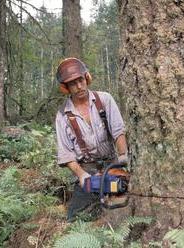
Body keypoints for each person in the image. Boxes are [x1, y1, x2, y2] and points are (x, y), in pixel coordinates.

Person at [55, 57, 128, 221]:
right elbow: (66, 154)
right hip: (88, 171)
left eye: (80, 80)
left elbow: (118, 132)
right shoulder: (62, 116)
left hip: (111, 165)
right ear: (66, 87)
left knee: (121, 203)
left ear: (86, 78)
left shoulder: (105, 100)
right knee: (76, 218)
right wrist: (82, 175)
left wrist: (123, 158)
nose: (79, 86)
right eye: (73, 83)